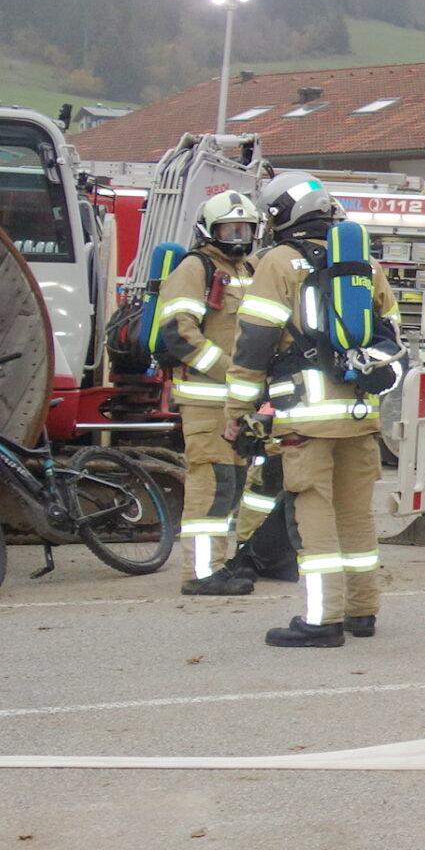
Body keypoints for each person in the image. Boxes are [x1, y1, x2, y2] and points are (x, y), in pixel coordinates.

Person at [225, 172, 404, 649]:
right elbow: (390, 335)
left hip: (305, 415)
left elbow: (254, 341)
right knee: (355, 514)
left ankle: (322, 619)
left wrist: (237, 409)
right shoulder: (363, 263)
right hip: (360, 413)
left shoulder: (278, 262)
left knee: (314, 513)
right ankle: (361, 610)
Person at [157, 188, 268, 594]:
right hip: (206, 402)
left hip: (237, 402)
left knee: (232, 486)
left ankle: (219, 563)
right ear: (209, 230)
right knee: (212, 486)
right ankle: (200, 573)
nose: (237, 236)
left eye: (244, 229)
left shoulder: (249, 270)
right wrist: (231, 372)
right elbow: (178, 333)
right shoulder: (195, 267)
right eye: (228, 229)